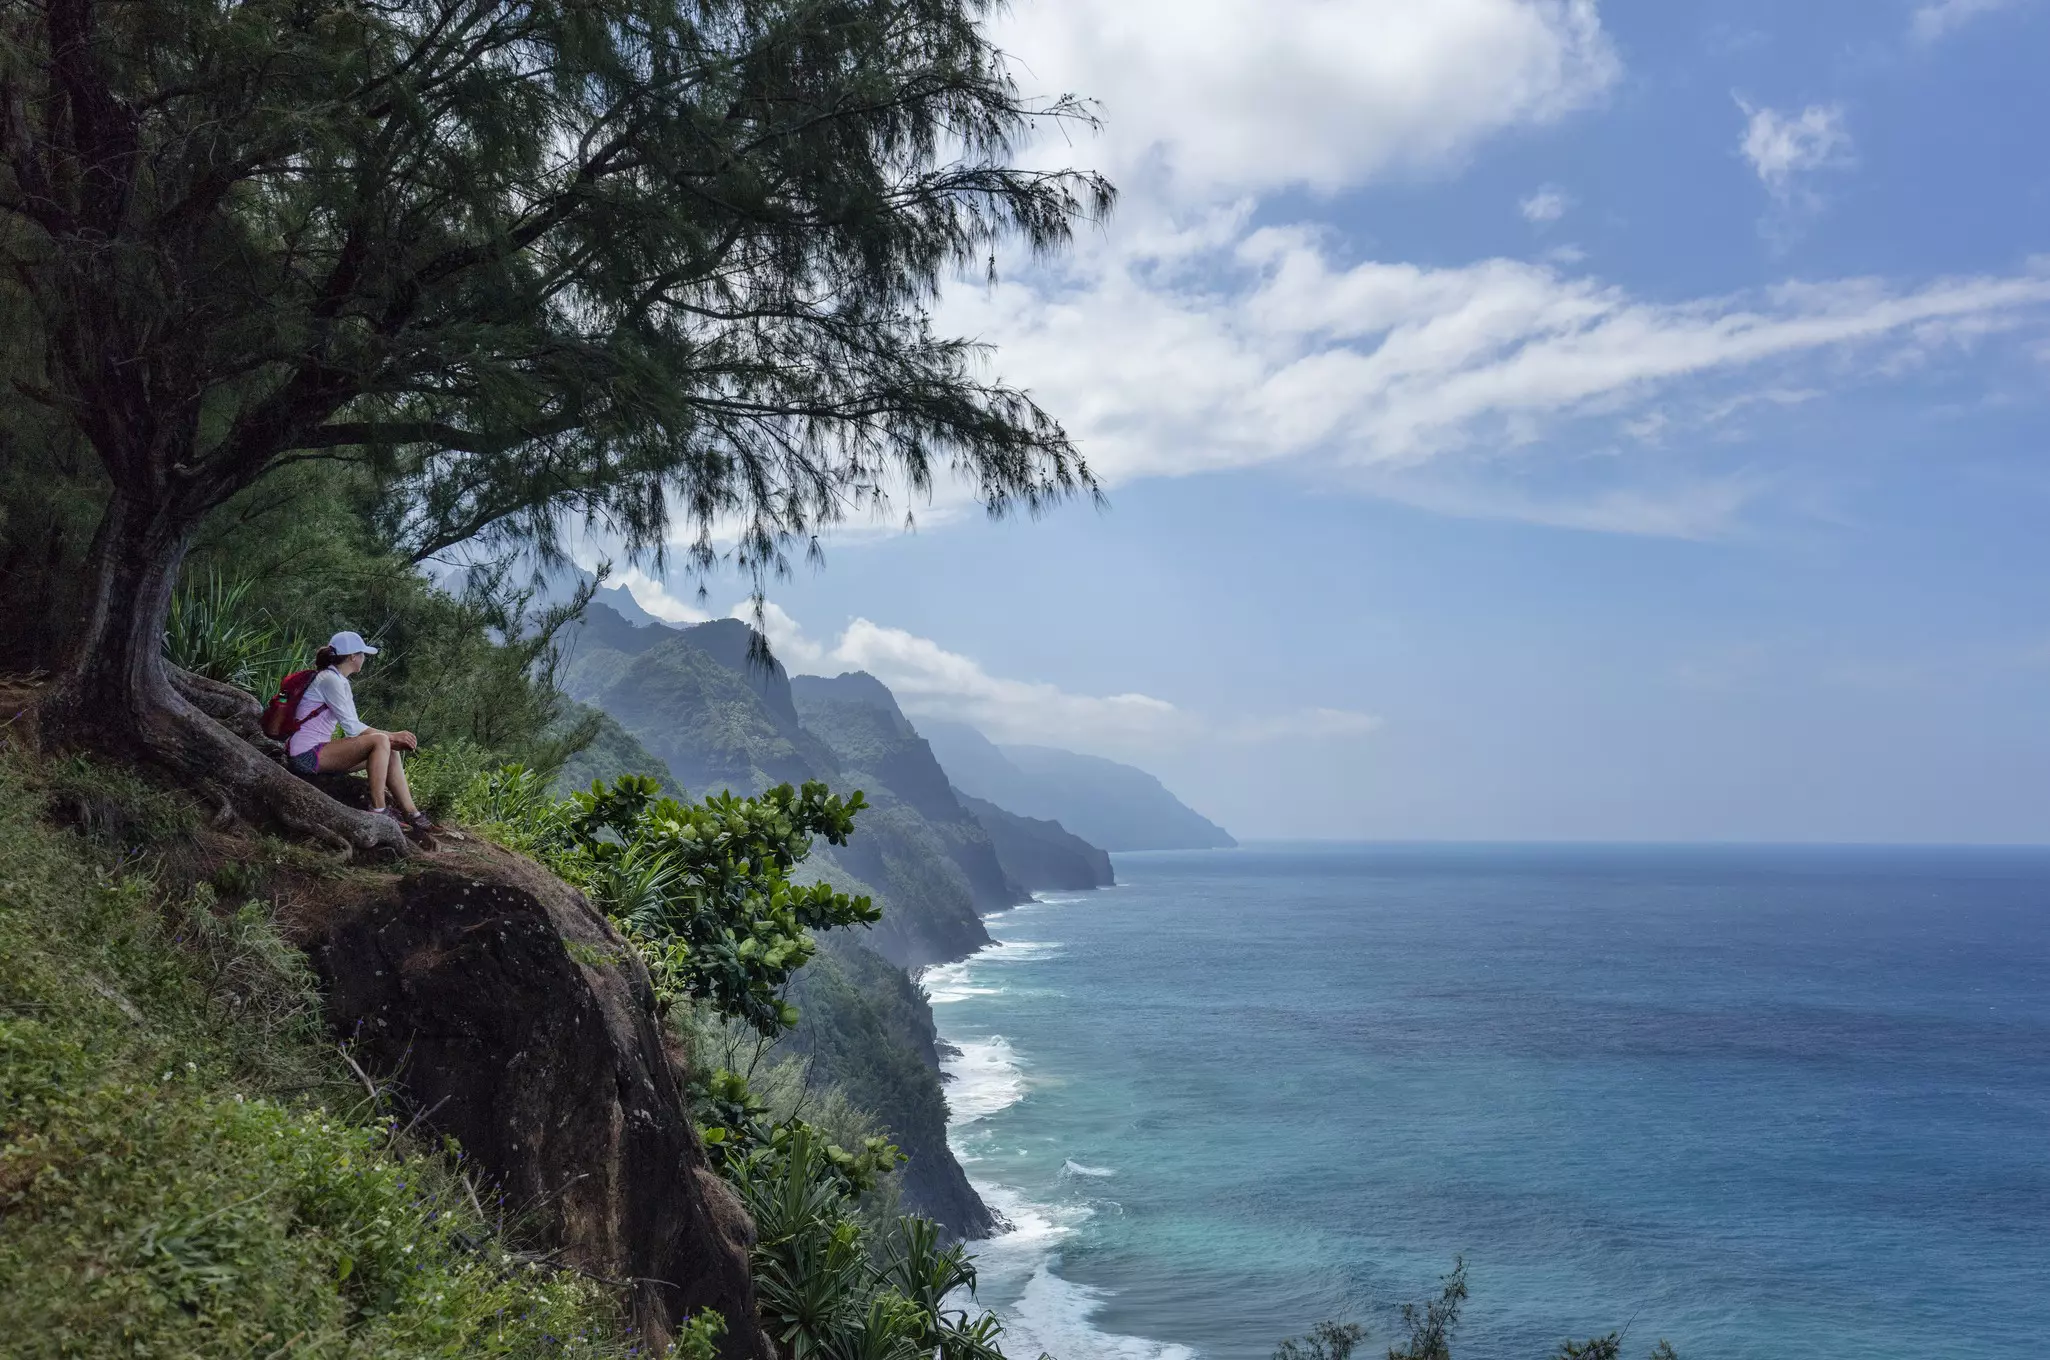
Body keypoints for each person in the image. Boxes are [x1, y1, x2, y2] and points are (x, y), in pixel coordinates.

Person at [284, 630, 431, 831]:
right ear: (353, 657)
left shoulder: (339, 680)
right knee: (381, 741)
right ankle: (379, 810)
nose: (364, 659)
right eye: (362, 654)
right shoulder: (330, 680)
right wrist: (391, 735)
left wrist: (392, 739)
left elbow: (354, 724)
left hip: (319, 752)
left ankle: (413, 813)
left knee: (390, 748)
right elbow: (352, 728)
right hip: (306, 755)